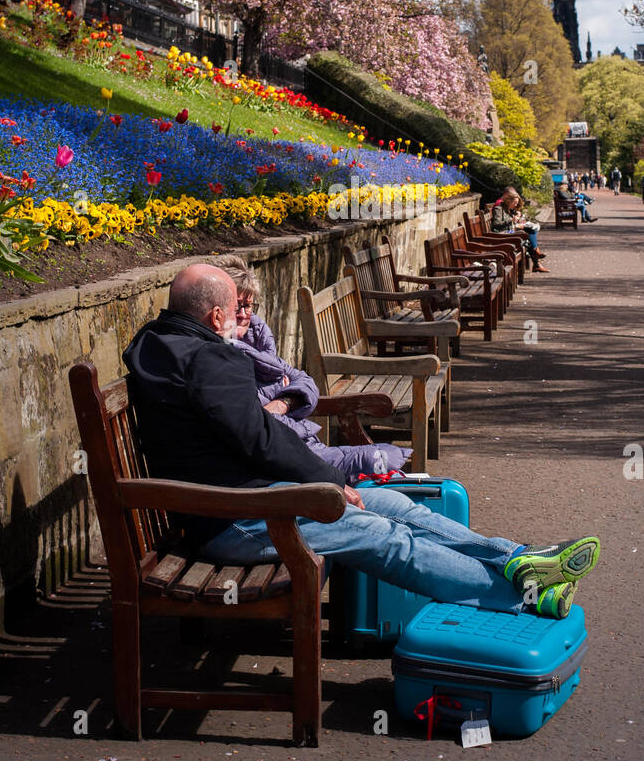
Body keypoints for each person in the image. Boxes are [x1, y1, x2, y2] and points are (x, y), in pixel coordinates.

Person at [123, 264, 602, 620]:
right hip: (234, 520)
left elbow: (246, 437)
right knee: (380, 535)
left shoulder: (152, 344)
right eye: (231, 314)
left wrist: (325, 485)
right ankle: (523, 596)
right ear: (213, 316)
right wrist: (329, 483)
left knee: (397, 506)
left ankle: (517, 559)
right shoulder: (210, 360)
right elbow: (259, 437)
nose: (235, 324)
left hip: (245, 502)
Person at [211, 254, 409, 480]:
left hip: (302, 447)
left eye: (248, 306)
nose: (244, 314)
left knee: (391, 467)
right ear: (218, 309)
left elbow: (305, 381)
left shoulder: (258, 342)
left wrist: (283, 402)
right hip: (289, 461)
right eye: (237, 306)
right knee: (383, 465)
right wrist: (285, 397)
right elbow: (251, 427)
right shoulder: (221, 359)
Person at [490, 187, 545, 272]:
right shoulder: (499, 208)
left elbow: (510, 221)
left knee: (530, 231)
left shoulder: (507, 209)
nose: (515, 205)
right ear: (509, 201)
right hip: (502, 234)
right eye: (514, 203)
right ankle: (536, 257)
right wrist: (512, 220)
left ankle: (536, 256)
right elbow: (496, 224)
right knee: (528, 233)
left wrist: (516, 219)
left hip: (508, 231)